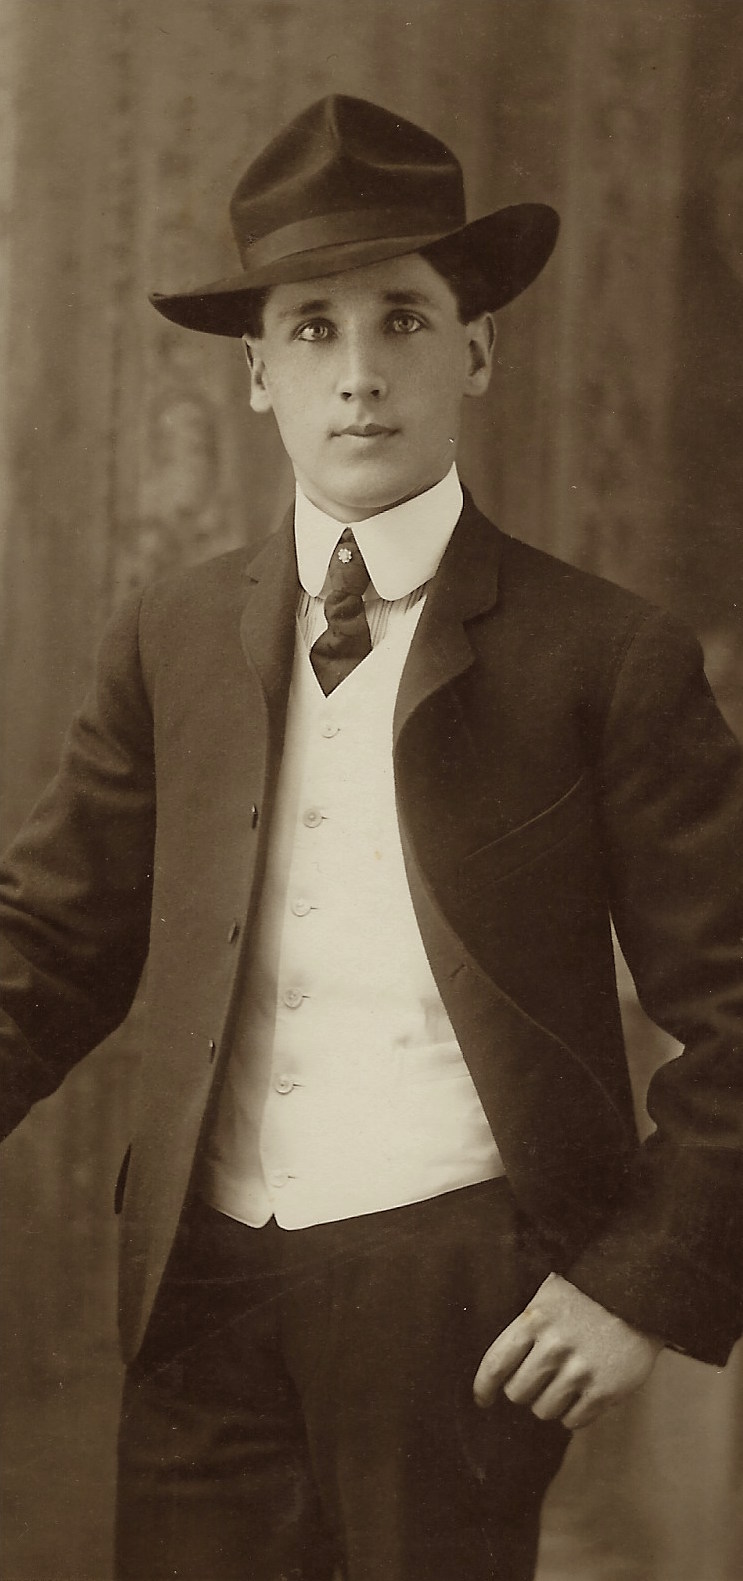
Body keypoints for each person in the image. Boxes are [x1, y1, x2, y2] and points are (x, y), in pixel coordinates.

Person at [1, 93, 742, 1581]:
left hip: (465, 1304)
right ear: (257, 372)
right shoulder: (174, 634)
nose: (359, 375)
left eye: (403, 321)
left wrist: (648, 1288)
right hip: (201, 1291)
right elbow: (51, 943)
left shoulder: (607, 655)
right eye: (316, 329)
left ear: (474, 352)